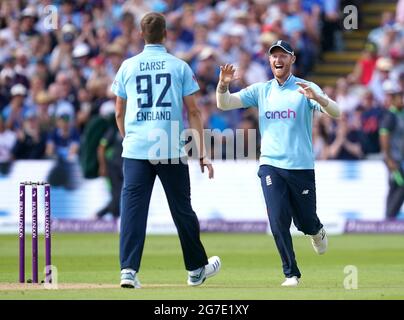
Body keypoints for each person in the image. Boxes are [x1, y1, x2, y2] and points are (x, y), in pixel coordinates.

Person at [216, 40, 340, 287]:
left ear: (292, 59)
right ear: (269, 61)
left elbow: (336, 112)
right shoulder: (262, 90)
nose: (278, 60)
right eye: (274, 56)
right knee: (277, 219)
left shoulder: (305, 88)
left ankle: (316, 230)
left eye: (283, 55)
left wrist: (319, 99)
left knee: (304, 222)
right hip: (270, 165)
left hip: (301, 166)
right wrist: (222, 85)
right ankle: (291, 273)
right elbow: (225, 103)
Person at [111, 12, 221, 289]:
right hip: (169, 145)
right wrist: (203, 152)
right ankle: (196, 269)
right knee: (182, 210)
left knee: (133, 210)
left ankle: (128, 270)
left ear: (141, 35)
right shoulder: (179, 66)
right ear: (166, 34)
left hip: (136, 147)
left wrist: (130, 138)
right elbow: (193, 111)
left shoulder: (128, 66)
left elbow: (119, 112)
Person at [379, 86, 404, 219]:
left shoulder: (401, 114)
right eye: (400, 98)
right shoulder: (390, 116)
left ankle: (389, 217)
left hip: (400, 160)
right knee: (399, 185)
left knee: (395, 186)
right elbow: (384, 137)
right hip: (393, 159)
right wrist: (388, 159)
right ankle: (390, 216)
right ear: (394, 100)